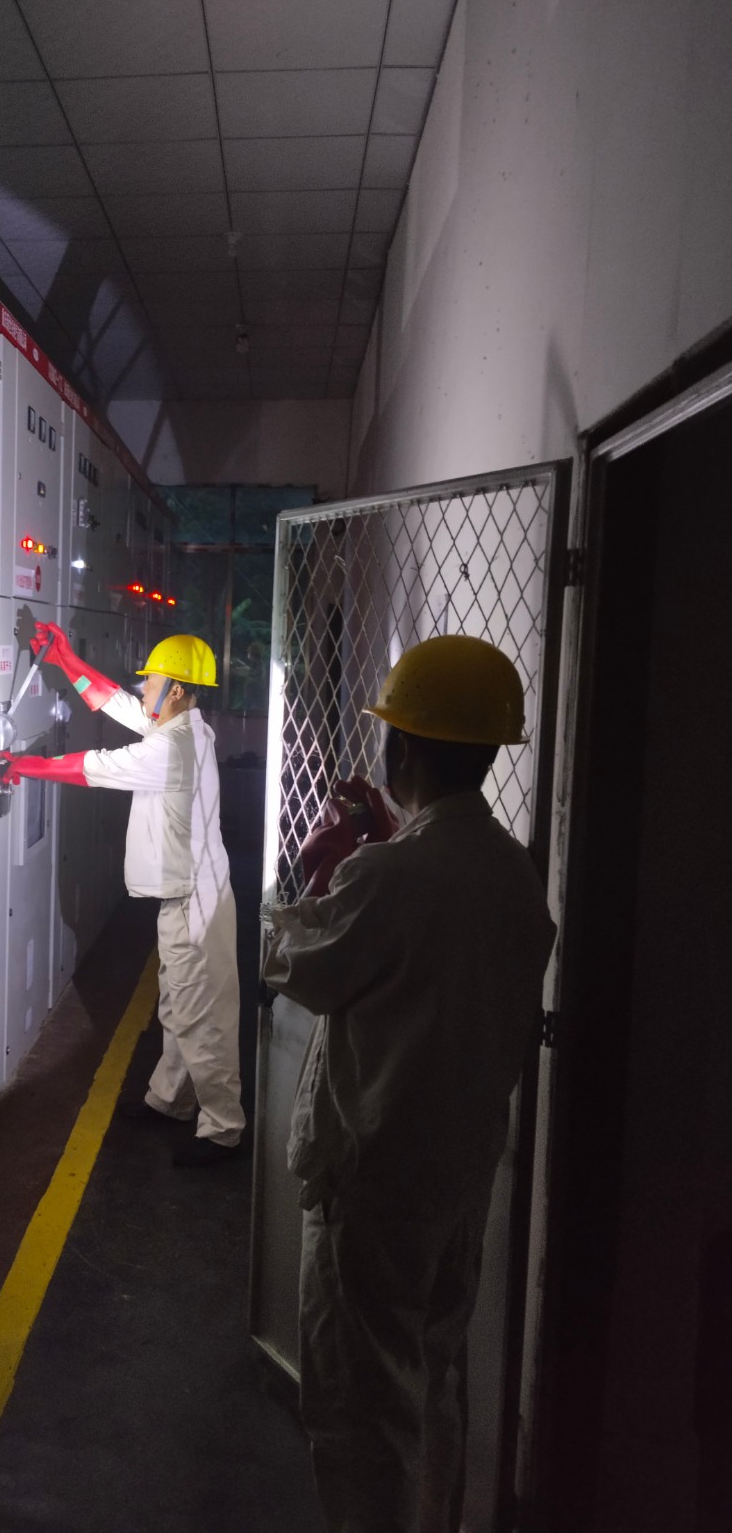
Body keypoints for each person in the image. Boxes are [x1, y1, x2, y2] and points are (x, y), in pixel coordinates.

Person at [261, 634, 556, 1533]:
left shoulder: (387, 876)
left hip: (372, 1185)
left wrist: (316, 864)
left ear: (406, 750)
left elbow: (292, 958)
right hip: (456, 1180)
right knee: (433, 1381)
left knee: (359, 1411)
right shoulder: (512, 874)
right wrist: (381, 851)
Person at [0, 625, 245, 1167]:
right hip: (190, 895)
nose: (143, 687)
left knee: (200, 1014)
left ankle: (223, 1130)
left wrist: (21, 765)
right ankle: (170, 1100)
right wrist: (65, 657)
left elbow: (96, 767)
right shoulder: (183, 728)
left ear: (175, 689)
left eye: (151, 680)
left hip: (194, 902)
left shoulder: (173, 749)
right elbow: (117, 703)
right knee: (178, 1004)